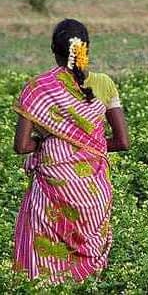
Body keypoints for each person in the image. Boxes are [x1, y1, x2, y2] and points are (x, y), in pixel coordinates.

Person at [12, 18, 130, 285]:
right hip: (93, 192)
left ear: (53, 50)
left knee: (43, 258)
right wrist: (88, 146)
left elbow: (21, 146)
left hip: (53, 186)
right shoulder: (105, 84)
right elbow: (122, 142)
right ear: (86, 50)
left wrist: (51, 144)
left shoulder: (37, 88)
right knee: (87, 260)